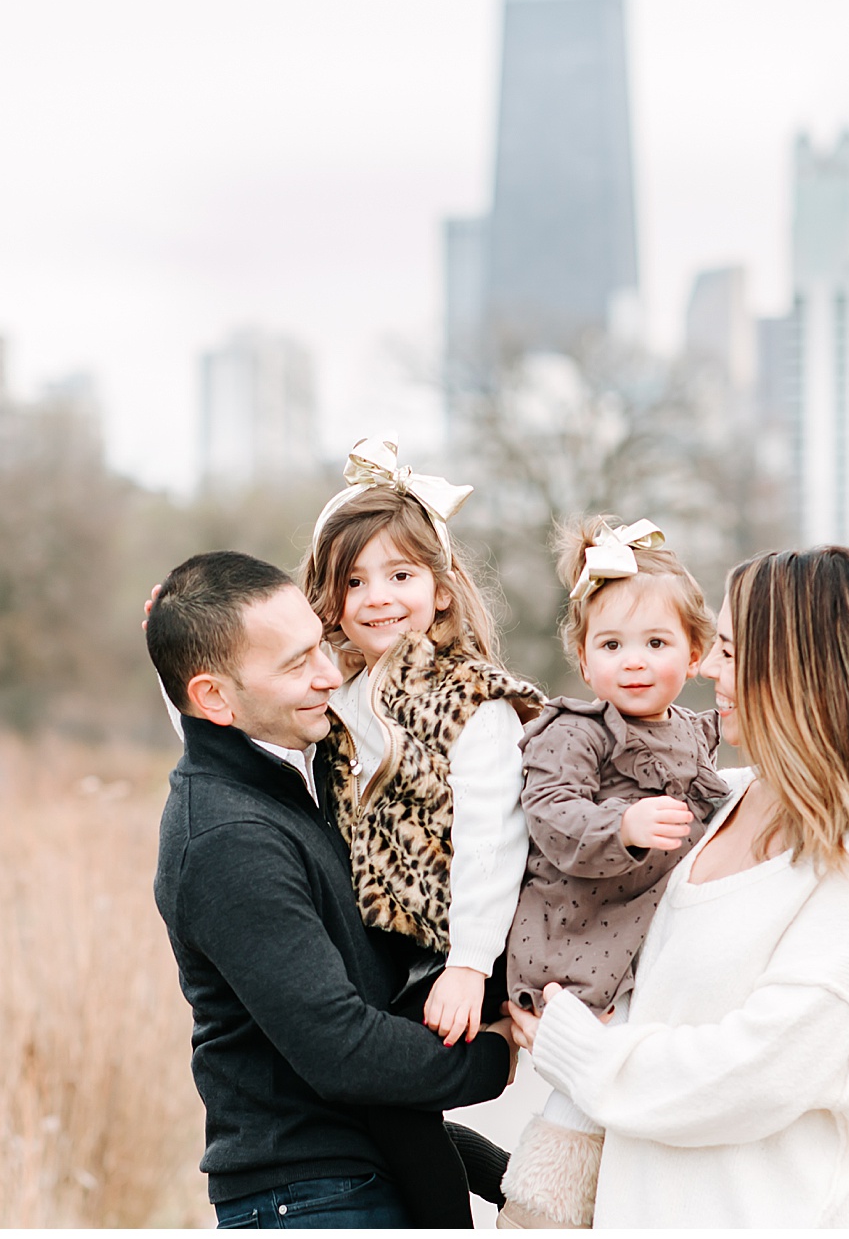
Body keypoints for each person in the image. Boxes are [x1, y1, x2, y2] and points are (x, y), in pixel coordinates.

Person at [506, 545, 849, 1227]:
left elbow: (761, 1070)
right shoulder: (717, 801)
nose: (708, 668)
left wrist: (582, 1052)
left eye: (728, 649)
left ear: (801, 672)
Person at [146, 549, 517, 1229]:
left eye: (320, 646)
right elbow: (343, 1049)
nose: (327, 673)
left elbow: (208, 709)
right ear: (213, 697)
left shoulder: (292, 769)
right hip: (312, 1200)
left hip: (355, 1179)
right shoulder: (229, 838)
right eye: (295, 664)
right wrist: (501, 1047)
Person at [298, 440, 545, 1209]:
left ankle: (484, 1201)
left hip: (468, 938)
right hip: (387, 944)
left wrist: (470, 965)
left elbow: (491, 841)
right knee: (379, 1099)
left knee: (383, 1092)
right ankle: (513, 1187)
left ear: (439, 589)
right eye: (355, 581)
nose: (378, 597)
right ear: (330, 601)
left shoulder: (474, 698)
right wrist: (181, 691)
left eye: (401, 575)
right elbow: (243, 729)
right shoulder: (340, 694)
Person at [495, 516, 730, 1228]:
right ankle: (541, 1208)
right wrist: (621, 827)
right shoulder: (575, 732)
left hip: (644, 947)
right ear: (584, 658)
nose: (634, 661)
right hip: (575, 937)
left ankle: (622, 1204)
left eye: (656, 643)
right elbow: (550, 814)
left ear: (694, 653)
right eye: (612, 644)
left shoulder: (698, 732)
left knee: (634, 1089)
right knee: (585, 1090)